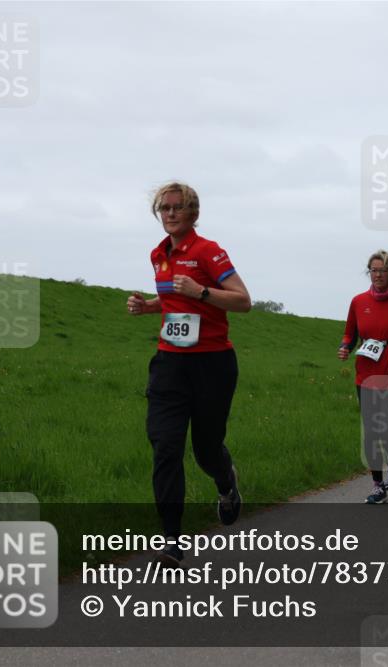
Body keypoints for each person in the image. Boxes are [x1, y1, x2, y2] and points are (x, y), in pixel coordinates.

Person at [127, 182, 250, 566]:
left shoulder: (208, 251)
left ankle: (226, 482)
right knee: (166, 447)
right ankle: (171, 540)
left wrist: (201, 292)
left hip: (213, 364)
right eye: (164, 208)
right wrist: (147, 307)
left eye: (178, 207)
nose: (170, 213)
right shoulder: (158, 254)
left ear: (193, 213)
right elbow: (171, 300)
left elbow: (243, 301)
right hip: (169, 364)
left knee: (206, 450)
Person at [338, 250, 388, 504]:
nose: (377, 275)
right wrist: (345, 347)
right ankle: (376, 485)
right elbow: (350, 334)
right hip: (366, 372)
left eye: (382, 270)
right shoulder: (358, 301)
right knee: (372, 431)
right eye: (373, 270)